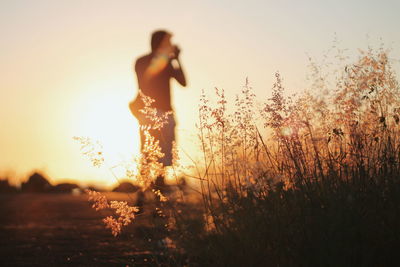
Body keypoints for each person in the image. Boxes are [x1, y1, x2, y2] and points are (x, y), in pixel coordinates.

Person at [133, 30, 187, 188]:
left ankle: (148, 197)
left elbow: (183, 82)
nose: (171, 45)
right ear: (162, 43)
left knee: (151, 155)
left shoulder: (147, 61)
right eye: (168, 42)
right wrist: (172, 58)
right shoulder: (147, 61)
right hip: (155, 113)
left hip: (153, 113)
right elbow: (148, 78)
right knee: (155, 155)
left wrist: (176, 59)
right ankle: (149, 197)